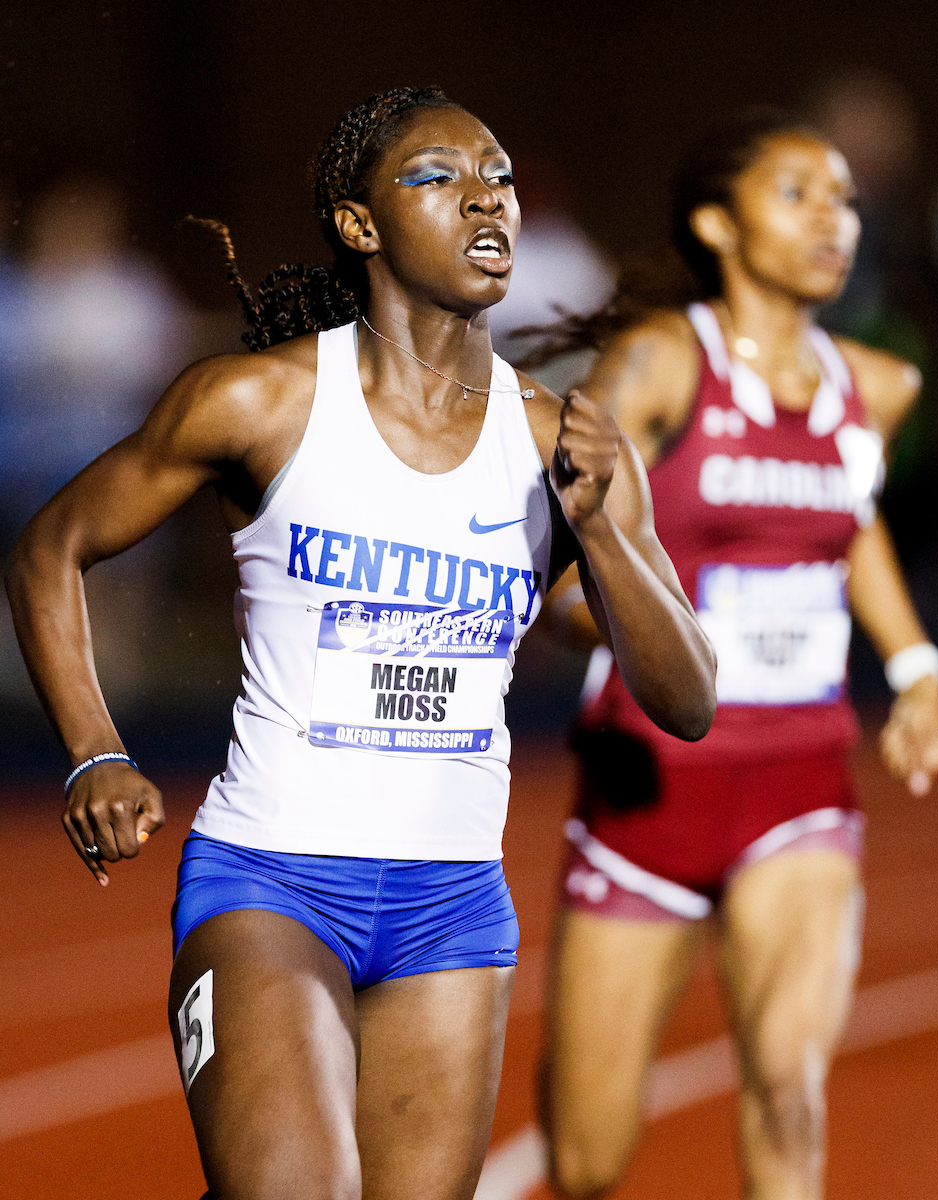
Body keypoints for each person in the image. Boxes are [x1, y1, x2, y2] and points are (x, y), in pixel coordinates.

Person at [5, 88, 716, 1200]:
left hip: (454, 903)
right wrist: (96, 750)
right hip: (272, 883)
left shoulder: (557, 441)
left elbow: (688, 697)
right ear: (359, 222)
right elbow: (50, 548)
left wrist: (603, 528)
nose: (488, 195)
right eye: (440, 175)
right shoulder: (259, 402)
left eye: (503, 177)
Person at [538, 110, 938, 1200]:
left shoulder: (879, 385)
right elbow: (577, 560)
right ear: (718, 222)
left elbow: (849, 522)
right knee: (587, 1159)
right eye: (798, 194)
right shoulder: (664, 362)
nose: (834, 220)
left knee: (790, 1090)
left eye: (846, 199)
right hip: (647, 788)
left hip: (798, 783)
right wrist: (625, 626)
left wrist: (914, 667)